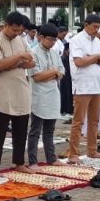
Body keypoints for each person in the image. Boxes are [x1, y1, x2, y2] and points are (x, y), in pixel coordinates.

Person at [0, 11, 35, 175]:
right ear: (5, 25)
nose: (17, 33)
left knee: (21, 129)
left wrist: (15, 62)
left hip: (21, 88)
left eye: (20, 31)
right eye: (14, 30)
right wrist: (19, 57)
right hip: (3, 91)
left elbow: (31, 62)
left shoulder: (21, 39)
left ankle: (19, 162)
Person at [67, 14, 100, 161]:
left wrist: (94, 58)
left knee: (94, 120)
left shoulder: (98, 42)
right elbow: (79, 62)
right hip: (83, 85)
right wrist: (95, 57)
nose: (96, 30)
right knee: (78, 121)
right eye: (94, 27)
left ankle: (92, 150)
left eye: (98, 27)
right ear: (86, 25)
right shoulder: (76, 40)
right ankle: (73, 153)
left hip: (97, 85)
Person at [27, 23, 65, 168]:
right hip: (39, 95)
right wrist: (53, 73)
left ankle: (51, 158)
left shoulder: (55, 52)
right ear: (41, 37)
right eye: (50, 39)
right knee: (35, 131)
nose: (53, 42)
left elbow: (61, 72)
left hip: (53, 94)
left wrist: (52, 73)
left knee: (50, 130)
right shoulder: (33, 52)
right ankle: (32, 161)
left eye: (54, 40)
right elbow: (36, 76)